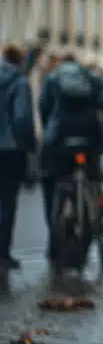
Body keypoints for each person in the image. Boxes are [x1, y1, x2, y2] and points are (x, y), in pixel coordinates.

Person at [38, 51, 103, 260]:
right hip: (88, 132)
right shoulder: (90, 76)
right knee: (93, 176)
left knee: (53, 183)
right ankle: (95, 216)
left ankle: (55, 238)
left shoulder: (52, 78)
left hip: (62, 135)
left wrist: (49, 133)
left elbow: (43, 107)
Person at [0, 45, 37, 269]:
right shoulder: (19, 83)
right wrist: (29, 146)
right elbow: (22, 119)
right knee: (7, 202)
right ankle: (2, 253)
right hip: (10, 151)